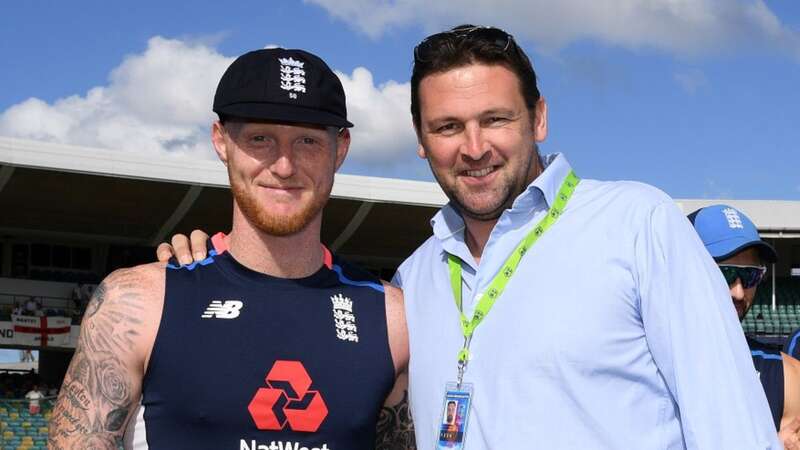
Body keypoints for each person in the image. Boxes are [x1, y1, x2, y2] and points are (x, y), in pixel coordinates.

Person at [160, 25, 780, 448]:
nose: (474, 147)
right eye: (448, 126)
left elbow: (734, 427)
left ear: (537, 117)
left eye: (496, 120)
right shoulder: (416, 276)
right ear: (421, 138)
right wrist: (212, 267)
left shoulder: (638, 224)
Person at [49, 48, 411, 450]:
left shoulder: (392, 317)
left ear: (340, 149)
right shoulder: (135, 303)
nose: (285, 166)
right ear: (221, 141)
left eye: (308, 141)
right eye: (261, 139)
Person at [690, 204, 800, 448]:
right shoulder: (635, 363)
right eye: (725, 273)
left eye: (751, 276)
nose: (739, 293)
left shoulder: (785, 375)